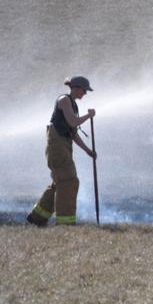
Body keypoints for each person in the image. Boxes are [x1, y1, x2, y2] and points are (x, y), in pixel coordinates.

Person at [26, 76, 97, 226]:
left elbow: (73, 132)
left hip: (64, 146)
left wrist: (87, 151)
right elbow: (73, 122)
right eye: (84, 90)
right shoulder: (64, 100)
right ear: (76, 87)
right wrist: (88, 116)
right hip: (57, 148)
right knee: (69, 181)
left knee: (61, 182)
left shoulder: (73, 105)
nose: (85, 93)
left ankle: (38, 216)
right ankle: (65, 223)